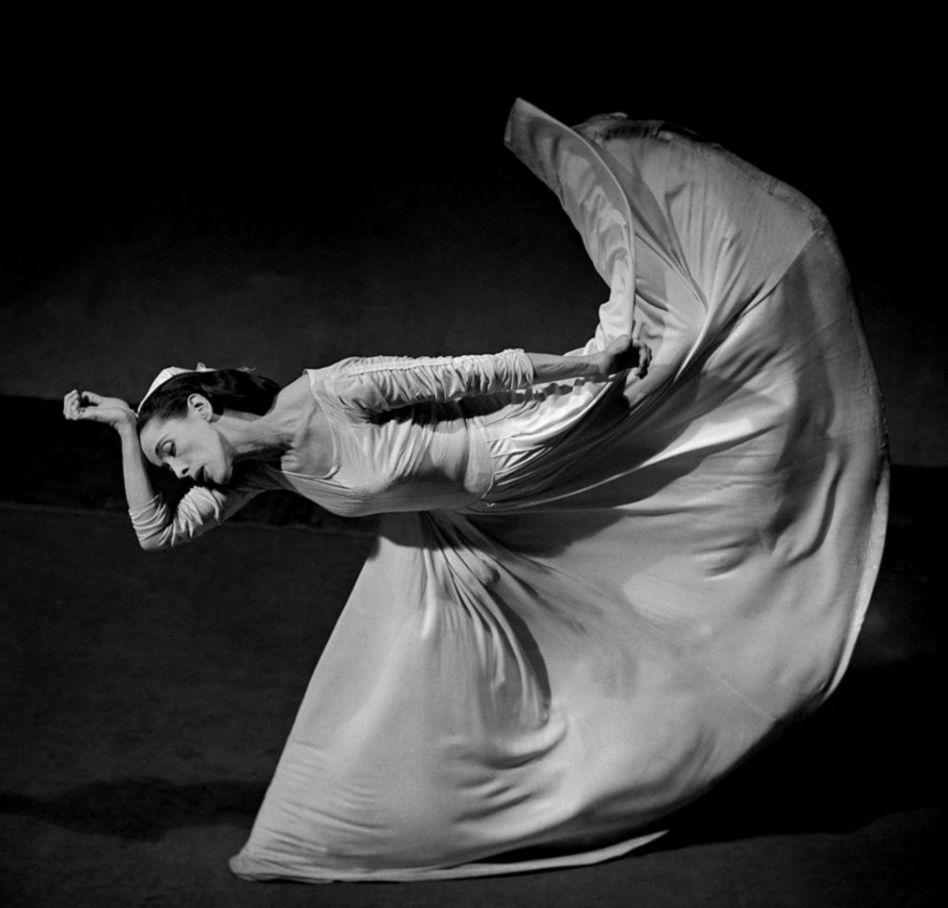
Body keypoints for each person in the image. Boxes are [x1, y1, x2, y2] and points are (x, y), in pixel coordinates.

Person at [63, 100, 888, 882]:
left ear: (205, 407)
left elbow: (468, 372)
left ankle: (754, 281)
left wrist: (584, 368)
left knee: (674, 369)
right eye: (167, 466)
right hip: (485, 513)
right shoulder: (257, 472)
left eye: (171, 448)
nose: (178, 473)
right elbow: (155, 534)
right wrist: (123, 431)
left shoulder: (330, 392)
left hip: (530, 447)